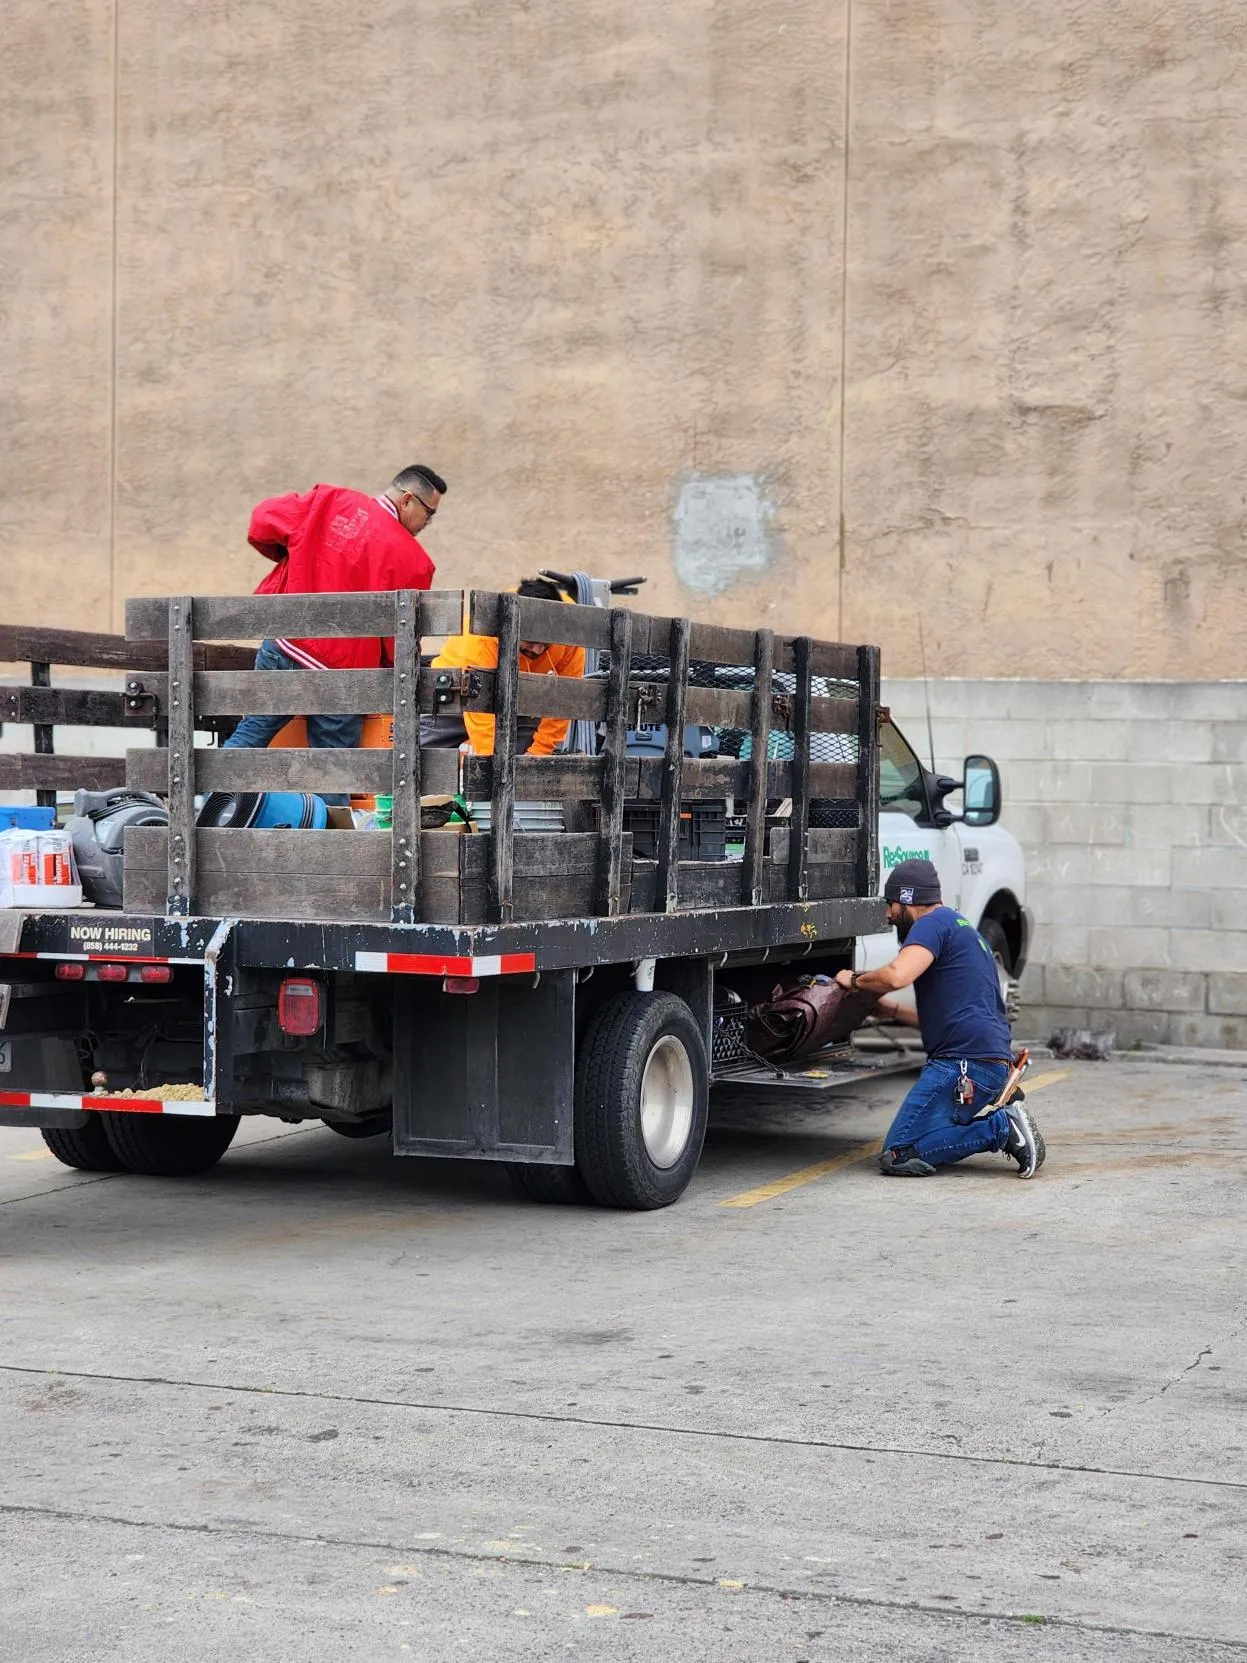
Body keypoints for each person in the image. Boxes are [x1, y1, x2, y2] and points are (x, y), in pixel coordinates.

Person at [835, 858, 1045, 1179]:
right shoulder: (963, 929)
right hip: (987, 1065)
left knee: (899, 1152)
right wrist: (890, 1011)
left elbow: (896, 975)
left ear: (907, 900)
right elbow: (952, 1018)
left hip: (962, 1066)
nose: (889, 914)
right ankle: (1000, 1125)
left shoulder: (930, 924)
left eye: (891, 904)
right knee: (927, 1141)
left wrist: (853, 980)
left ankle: (1002, 1128)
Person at [222, 465, 447, 764]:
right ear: (407, 500)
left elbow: (262, 521)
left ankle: (212, 806)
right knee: (334, 764)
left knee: (251, 734)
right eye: (428, 513)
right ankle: (328, 812)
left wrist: (292, 558)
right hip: (344, 672)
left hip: (288, 644)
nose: (427, 522)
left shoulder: (330, 501)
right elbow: (399, 640)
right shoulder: (415, 561)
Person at [428, 577, 585, 756]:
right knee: (422, 757)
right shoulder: (482, 635)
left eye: (547, 643)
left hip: (515, 702)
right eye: (531, 641)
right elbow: (479, 711)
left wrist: (538, 753)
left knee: (525, 763)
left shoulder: (569, 627)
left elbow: (563, 698)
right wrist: (494, 766)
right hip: (452, 695)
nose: (539, 650)